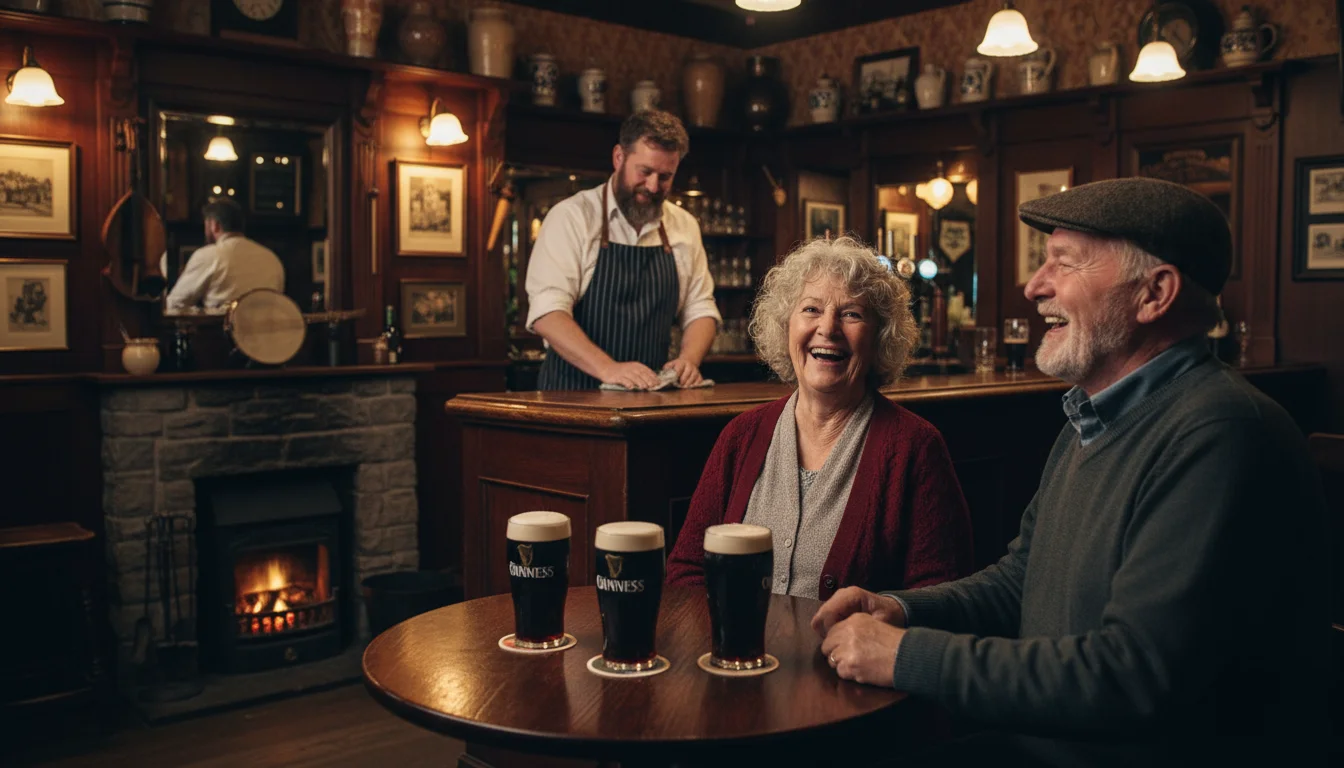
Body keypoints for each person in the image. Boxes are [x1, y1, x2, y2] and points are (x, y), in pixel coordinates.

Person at [811, 178, 1329, 766]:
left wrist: (905, 656)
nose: (1034, 287)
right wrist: (901, 609)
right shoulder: (1092, 416)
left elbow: (1129, 677)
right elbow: (1022, 580)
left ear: (1154, 293)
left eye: (1063, 263)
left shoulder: (1222, 433)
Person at [667, 236, 973, 600]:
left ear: (879, 338)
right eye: (811, 309)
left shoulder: (915, 447)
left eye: (851, 314)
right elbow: (686, 571)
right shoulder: (741, 436)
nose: (828, 328)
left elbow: (940, 597)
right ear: (785, 327)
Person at [525, 110, 719, 390]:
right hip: (572, 399)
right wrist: (609, 368)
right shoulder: (572, 218)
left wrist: (689, 360)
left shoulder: (684, 227)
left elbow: (701, 308)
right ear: (619, 158)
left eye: (665, 176)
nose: (653, 186)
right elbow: (547, 314)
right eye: (645, 172)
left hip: (649, 398)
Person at [164, 198, 285, 313]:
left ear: (214, 225)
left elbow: (175, 304)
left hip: (220, 333)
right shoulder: (271, 257)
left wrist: (201, 311)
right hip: (269, 333)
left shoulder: (210, 255)